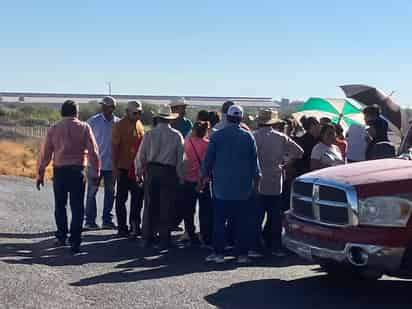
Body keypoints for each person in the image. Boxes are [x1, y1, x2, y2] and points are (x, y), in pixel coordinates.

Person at [37, 100, 100, 253]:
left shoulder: (54, 128)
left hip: (60, 171)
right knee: (77, 206)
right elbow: (93, 152)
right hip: (77, 171)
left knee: (60, 205)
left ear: (62, 112)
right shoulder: (84, 127)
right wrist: (96, 172)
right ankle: (75, 241)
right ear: (76, 112)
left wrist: (40, 172)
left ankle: (61, 236)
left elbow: (46, 153)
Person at [199, 105, 261, 264]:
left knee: (219, 221)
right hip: (243, 188)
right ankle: (242, 254)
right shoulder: (248, 137)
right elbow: (254, 163)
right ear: (241, 118)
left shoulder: (217, 136)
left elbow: (208, 160)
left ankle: (218, 253)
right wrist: (256, 182)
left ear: (227, 117)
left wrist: (202, 177)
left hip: (221, 187)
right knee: (242, 222)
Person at [252, 109, 303, 257]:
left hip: (258, 180)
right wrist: (286, 163)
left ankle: (254, 247)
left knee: (257, 216)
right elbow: (299, 152)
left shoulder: (254, 137)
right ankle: (275, 247)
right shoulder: (281, 137)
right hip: (276, 180)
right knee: (275, 217)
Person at [136, 105, 185, 251]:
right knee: (166, 206)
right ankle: (164, 239)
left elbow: (141, 156)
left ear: (158, 118)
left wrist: (139, 172)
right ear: (169, 119)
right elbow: (180, 160)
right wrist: (180, 176)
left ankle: (147, 238)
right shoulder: (176, 135)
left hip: (152, 171)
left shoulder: (149, 134)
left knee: (150, 205)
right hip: (168, 172)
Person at [84, 96, 119, 230]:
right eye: (103, 105)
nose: (104, 107)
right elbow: (85, 137)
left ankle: (107, 220)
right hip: (94, 164)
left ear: (113, 108)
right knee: (91, 193)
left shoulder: (118, 123)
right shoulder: (93, 121)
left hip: (111, 165)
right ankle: (90, 221)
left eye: (107, 106)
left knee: (110, 193)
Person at [112, 100, 145, 238]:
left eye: (140, 112)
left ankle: (135, 226)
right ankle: (122, 227)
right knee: (121, 199)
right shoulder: (119, 126)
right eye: (135, 112)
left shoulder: (139, 124)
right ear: (127, 112)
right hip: (124, 168)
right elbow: (114, 148)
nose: (138, 115)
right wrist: (115, 168)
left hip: (137, 169)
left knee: (137, 199)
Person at [181, 121, 212, 247]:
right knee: (205, 211)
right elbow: (208, 164)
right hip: (204, 181)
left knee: (189, 210)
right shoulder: (208, 144)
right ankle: (206, 236)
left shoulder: (187, 142)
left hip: (188, 179)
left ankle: (190, 234)